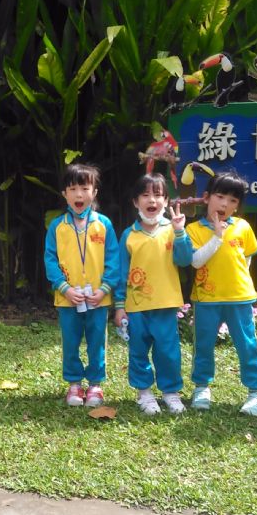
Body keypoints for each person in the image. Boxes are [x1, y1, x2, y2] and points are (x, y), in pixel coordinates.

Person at [185, 170, 257, 416]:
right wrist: (217, 237)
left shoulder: (243, 226)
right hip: (206, 299)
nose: (225, 204)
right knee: (203, 345)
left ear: (237, 206)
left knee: (247, 344)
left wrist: (238, 282)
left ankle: (256, 392)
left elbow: (247, 258)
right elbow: (196, 262)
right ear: (206, 197)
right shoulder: (193, 229)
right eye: (220, 197)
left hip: (239, 298)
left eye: (232, 200)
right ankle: (201, 387)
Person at [114, 174, 194, 415]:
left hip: (166, 304)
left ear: (166, 201)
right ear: (135, 202)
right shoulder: (129, 235)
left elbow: (185, 259)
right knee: (138, 351)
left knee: (168, 352)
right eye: (145, 195)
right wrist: (119, 306)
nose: (152, 200)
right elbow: (121, 273)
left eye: (158, 195)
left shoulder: (173, 230)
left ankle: (171, 392)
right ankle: (144, 393)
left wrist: (180, 232)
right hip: (136, 306)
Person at [44, 163, 120, 407]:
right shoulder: (57, 226)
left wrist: (104, 289)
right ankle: (74, 384)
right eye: (73, 189)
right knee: (71, 342)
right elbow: (50, 260)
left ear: (94, 192)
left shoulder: (104, 224)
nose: (79, 194)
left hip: (98, 298)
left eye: (85, 188)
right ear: (64, 194)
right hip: (68, 299)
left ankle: (95, 385)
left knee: (97, 342)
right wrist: (64, 288)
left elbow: (114, 259)